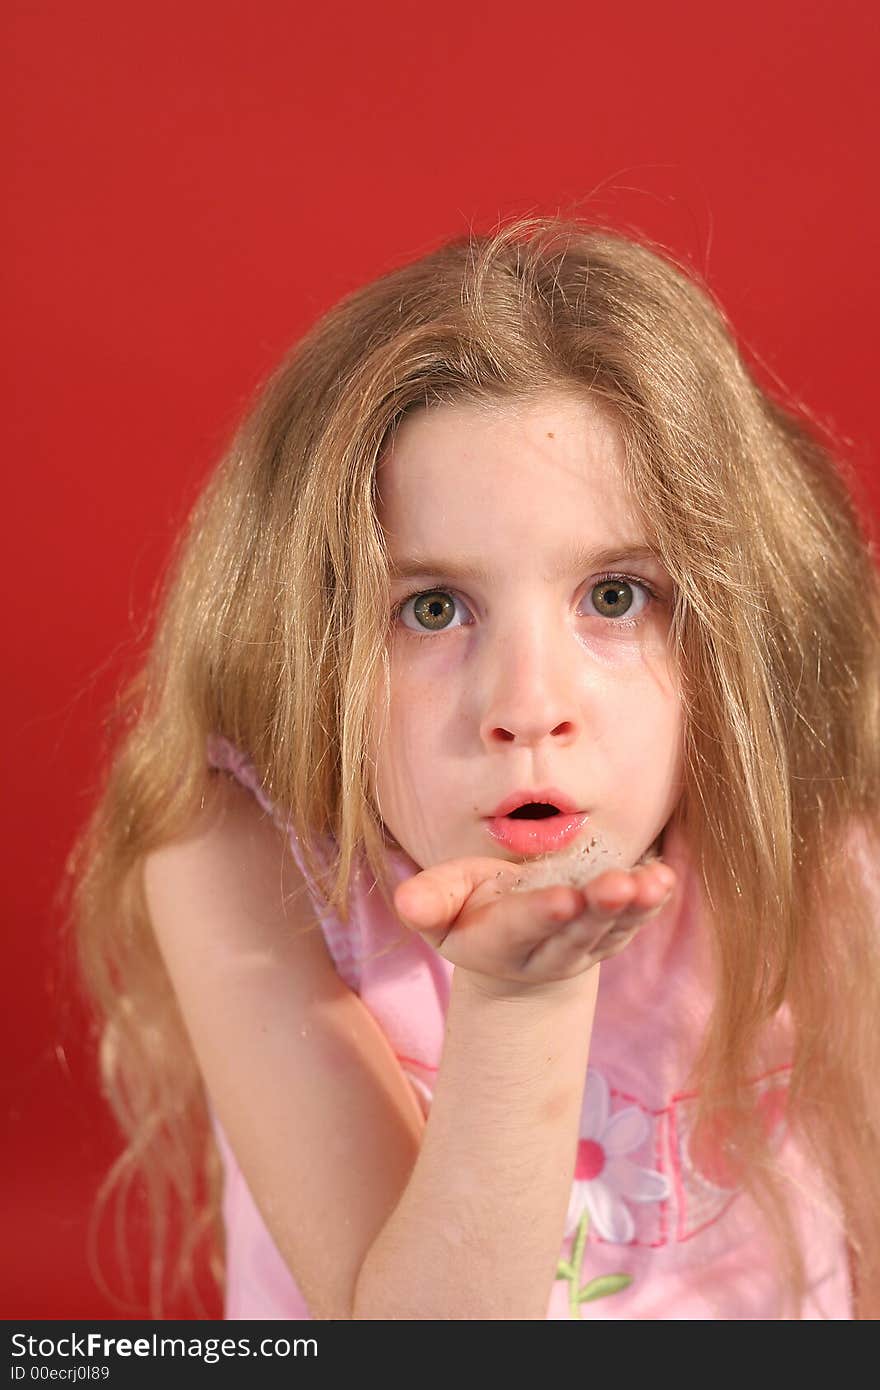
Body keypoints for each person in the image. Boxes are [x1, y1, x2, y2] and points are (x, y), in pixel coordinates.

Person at [65, 215, 880, 1320]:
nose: (526, 708)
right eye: (433, 609)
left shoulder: (803, 811)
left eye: (613, 596)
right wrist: (519, 1000)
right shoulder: (237, 857)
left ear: (735, 626)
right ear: (308, 638)